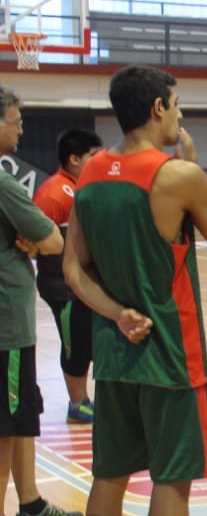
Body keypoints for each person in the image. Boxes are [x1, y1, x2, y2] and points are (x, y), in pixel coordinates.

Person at [63, 65, 207, 516]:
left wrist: (115, 314)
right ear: (160, 108)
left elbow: (72, 270)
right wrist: (198, 175)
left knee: (109, 477)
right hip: (171, 354)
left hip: (115, 356)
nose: (181, 116)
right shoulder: (179, 176)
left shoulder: (89, 174)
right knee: (172, 481)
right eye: (179, 107)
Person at [0, 85, 84, 516]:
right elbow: (52, 238)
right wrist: (35, 239)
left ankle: (30, 504)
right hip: (6, 323)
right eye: (15, 120)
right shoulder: (4, 182)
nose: (21, 128)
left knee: (24, 414)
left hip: (14, 325)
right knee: (7, 424)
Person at [32, 128, 104, 425]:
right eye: (93, 156)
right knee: (75, 342)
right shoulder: (54, 193)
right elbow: (33, 240)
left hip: (83, 284)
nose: (100, 160)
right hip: (63, 287)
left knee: (88, 340)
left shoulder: (86, 187)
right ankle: (77, 403)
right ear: (74, 159)